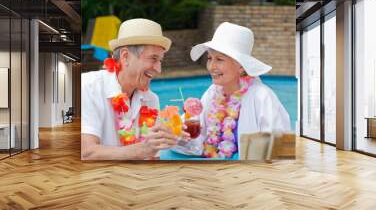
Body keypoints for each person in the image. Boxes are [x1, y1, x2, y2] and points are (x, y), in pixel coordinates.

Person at [81, 18, 189, 160]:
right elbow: (87, 152)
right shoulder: (88, 86)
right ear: (125, 57)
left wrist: (167, 141)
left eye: (160, 61)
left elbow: (153, 158)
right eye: (153, 58)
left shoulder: (151, 99)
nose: (158, 69)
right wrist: (142, 149)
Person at [189, 22, 291, 159]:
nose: (211, 66)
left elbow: (280, 149)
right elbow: (195, 136)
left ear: (241, 66)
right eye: (209, 58)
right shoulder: (212, 92)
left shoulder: (262, 97)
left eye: (219, 59)